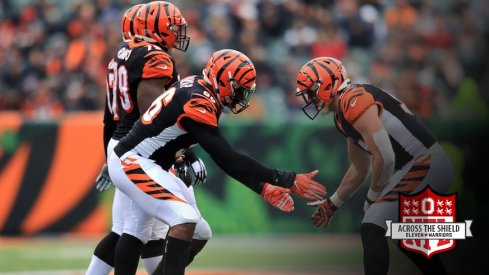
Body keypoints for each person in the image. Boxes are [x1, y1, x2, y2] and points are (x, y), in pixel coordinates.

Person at [107, 49, 327, 274]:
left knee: (200, 233)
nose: (242, 97)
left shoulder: (199, 87)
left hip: (152, 163)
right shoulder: (197, 101)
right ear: (224, 81)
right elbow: (228, 159)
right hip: (132, 161)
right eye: (239, 90)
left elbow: (221, 155)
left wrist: (262, 188)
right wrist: (285, 179)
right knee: (181, 219)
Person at [294, 57, 453, 275]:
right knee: (403, 235)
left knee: (372, 224)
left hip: (425, 162)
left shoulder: (352, 99)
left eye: (312, 91)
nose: (310, 99)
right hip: (417, 165)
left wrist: (373, 196)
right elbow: (360, 167)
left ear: (328, 83)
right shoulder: (342, 113)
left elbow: (385, 156)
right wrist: (333, 203)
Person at [86, 2, 211, 274]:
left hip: (124, 142)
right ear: (153, 28)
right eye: (172, 26)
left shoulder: (122, 53)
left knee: (132, 230)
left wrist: (110, 156)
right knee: (136, 230)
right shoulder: (154, 56)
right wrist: (181, 152)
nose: (178, 32)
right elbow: (152, 110)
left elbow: (110, 115)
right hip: (143, 146)